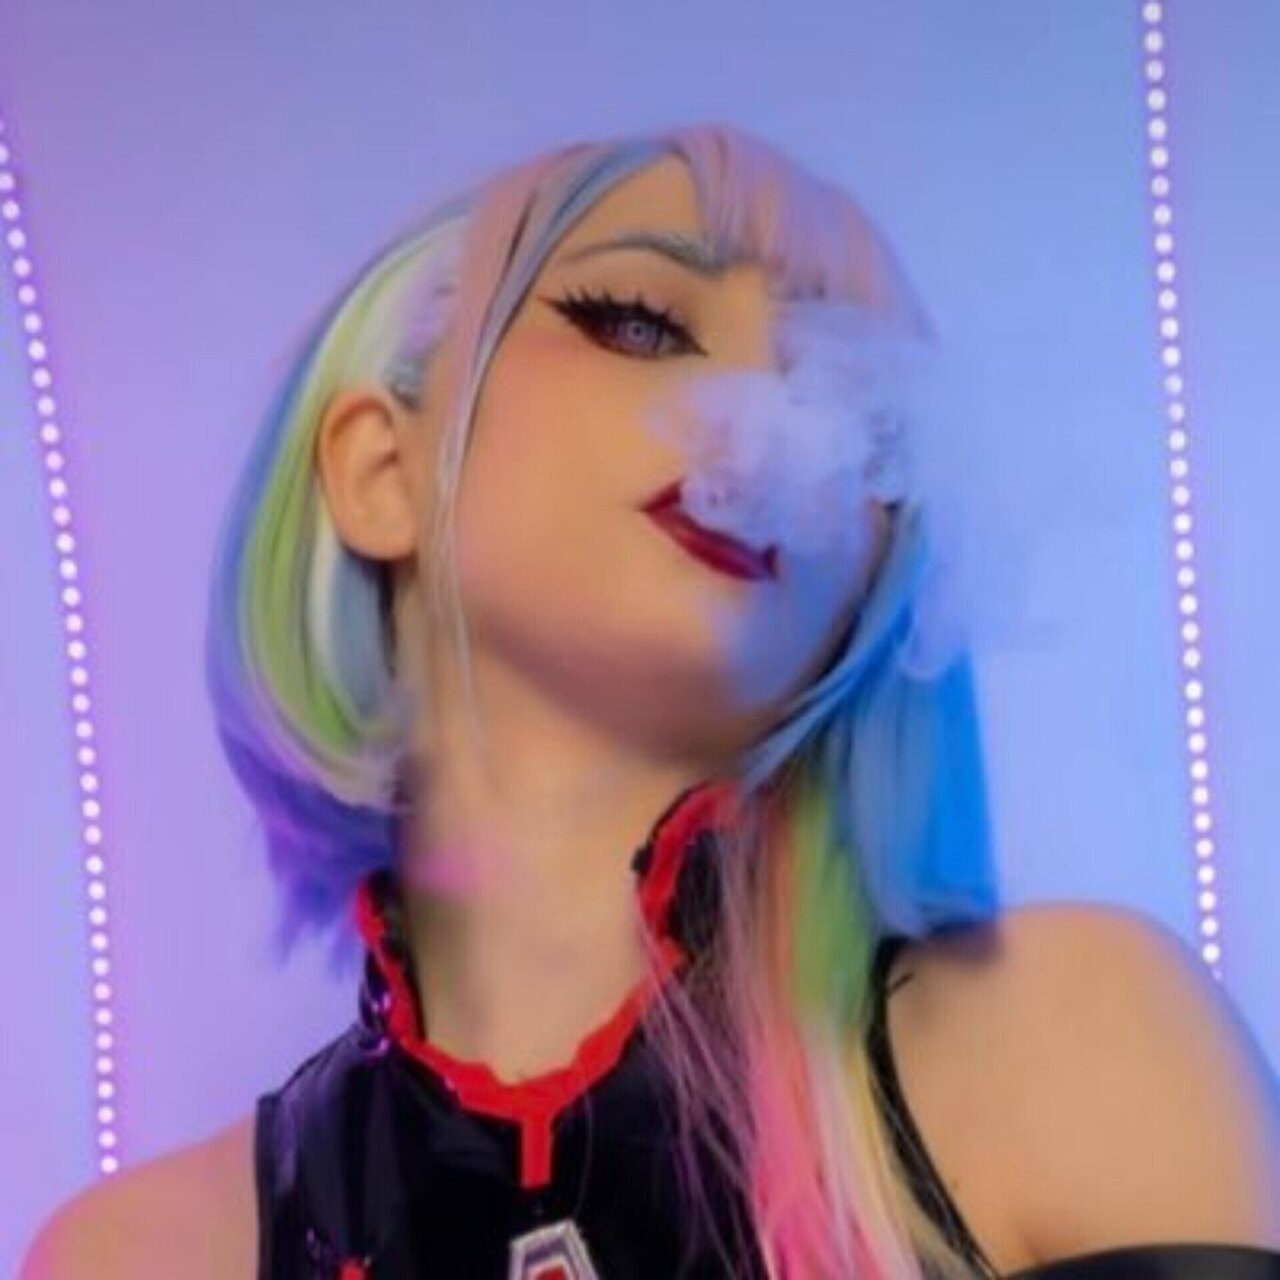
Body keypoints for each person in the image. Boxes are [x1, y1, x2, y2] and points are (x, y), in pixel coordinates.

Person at [22, 122, 1280, 1279]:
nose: (755, 412)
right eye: (639, 321)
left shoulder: (1067, 1048)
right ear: (379, 469)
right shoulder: (135, 1255)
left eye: (838, 385)